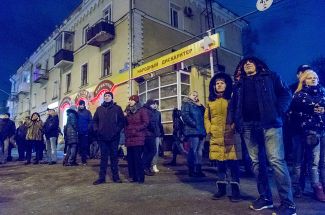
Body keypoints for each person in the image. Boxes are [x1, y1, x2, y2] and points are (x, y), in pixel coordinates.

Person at [230, 57, 296, 214]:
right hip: (248, 126)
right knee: (256, 163)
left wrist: (277, 111)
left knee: (276, 161)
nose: (247, 64)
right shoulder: (238, 85)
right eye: (244, 63)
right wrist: (235, 121)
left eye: (250, 61)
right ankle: (265, 198)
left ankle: (288, 204)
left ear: (258, 65)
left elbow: (286, 94)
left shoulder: (271, 76)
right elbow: (234, 105)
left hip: (270, 124)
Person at [205, 72, 241, 202]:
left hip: (230, 135)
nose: (219, 85)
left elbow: (237, 114)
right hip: (216, 136)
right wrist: (209, 129)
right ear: (214, 86)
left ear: (227, 85)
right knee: (220, 164)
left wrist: (233, 126)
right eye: (217, 83)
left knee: (233, 164)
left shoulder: (231, 99)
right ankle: (221, 189)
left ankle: (235, 190)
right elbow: (206, 118)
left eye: (222, 83)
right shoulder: (210, 102)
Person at [290, 70, 325, 202]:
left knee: (323, 161)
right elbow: (294, 113)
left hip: (323, 130)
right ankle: (313, 187)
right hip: (308, 132)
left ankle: (322, 184)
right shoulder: (299, 96)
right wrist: (313, 110)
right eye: (310, 78)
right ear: (304, 80)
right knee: (311, 162)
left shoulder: (322, 92)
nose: (313, 79)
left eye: (315, 77)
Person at [287, 64, 312, 197]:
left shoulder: (317, 89)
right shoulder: (291, 89)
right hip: (296, 130)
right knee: (297, 160)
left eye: (308, 72)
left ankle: (317, 186)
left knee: (313, 160)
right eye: (303, 72)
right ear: (298, 75)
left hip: (313, 131)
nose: (306, 74)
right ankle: (297, 187)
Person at [92, 92, 125, 185]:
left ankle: (116, 177)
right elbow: (94, 121)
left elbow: (121, 121)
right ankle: (101, 178)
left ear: (112, 98)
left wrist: (117, 130)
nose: (106, 97)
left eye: (108, 96)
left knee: (114, 158)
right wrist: (97, 130)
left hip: (114, 137)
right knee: (103, 158)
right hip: (102, 138)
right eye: (105, 96)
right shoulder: (99, 109)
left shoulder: (117, 108)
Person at [124, 95, 149, 183]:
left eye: (131, 100)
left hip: (138, 137)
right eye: (129, 100)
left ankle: (140, 177)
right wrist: (124, 116)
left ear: (136, 101)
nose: (130, 101)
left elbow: (146, 123)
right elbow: (125, 123)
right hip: (129, 137)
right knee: (130, 159)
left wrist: (136, 129)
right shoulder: (127, 110)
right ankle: (133, 177)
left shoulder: (142, 110)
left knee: (137, 158)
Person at [181, 91, 206, 177]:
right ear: (189, 96)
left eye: (196, 95)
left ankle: (199, 170)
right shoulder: (186, 104)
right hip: (193, 131)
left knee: (200, 151)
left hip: (201, 131)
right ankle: (192, 170)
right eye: (193, 95)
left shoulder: (198, 105)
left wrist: (201, 105)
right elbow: (185, 116)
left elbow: (205, 114)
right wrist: (194, 124)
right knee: (193, 150)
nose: (195, 97)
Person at [77, 100, 92, 165]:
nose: (81, 106)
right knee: (80, 146)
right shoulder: (77, 113)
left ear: (84, 105)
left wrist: (87, 129)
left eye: (82, 105)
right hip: (79, 132)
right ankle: (82, 159)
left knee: (84, 146)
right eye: (80, 105)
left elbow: (90, 121)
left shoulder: (88, 112)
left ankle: (84, 160)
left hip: (85, 132)